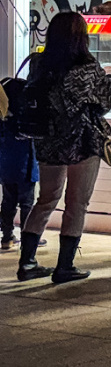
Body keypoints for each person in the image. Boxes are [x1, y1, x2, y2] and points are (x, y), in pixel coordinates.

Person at [16, 12, 111, 283]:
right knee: (76, 203)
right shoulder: (87, 67)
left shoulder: (39, 63)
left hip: (47, 141)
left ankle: (27, 263)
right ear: (81, 36)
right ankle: (65, 266)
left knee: (46, 199)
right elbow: (103, 105)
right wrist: (108, 82)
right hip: (82, 141)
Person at [0, 73, 37, 253]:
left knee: (8, 200)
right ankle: (28, 239)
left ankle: (6, 237)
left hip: (6, 165)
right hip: (26, 165)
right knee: (27, 203)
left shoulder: (4, 120)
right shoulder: (27, 120)